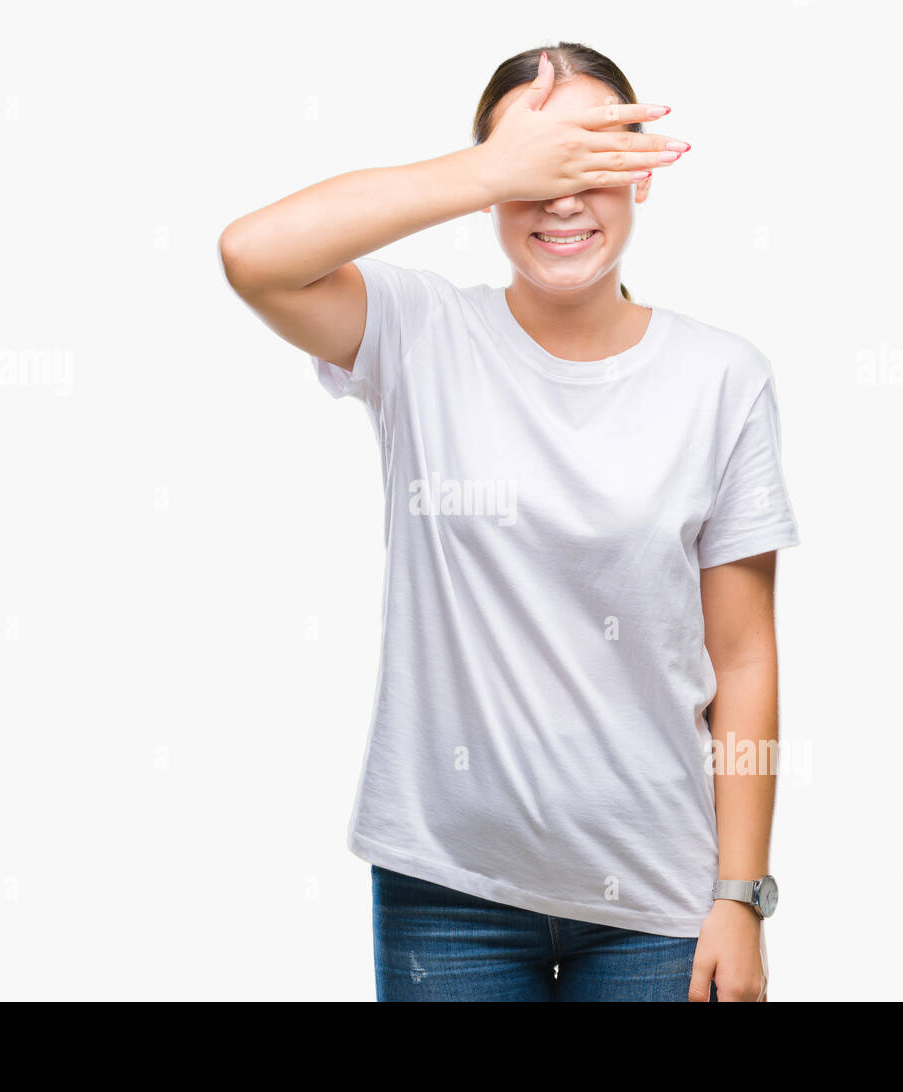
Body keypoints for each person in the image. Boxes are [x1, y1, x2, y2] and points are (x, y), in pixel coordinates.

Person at [219, 41, 801, 1002]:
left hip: (660, 900)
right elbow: (253, 255)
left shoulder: (723, 379)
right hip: (447, 890)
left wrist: (741, 896)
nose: (562, 195)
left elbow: (743, 657)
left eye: (595, 156)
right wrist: (493, 167)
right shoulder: (419, 333)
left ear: (644, 172)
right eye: (537, 164)